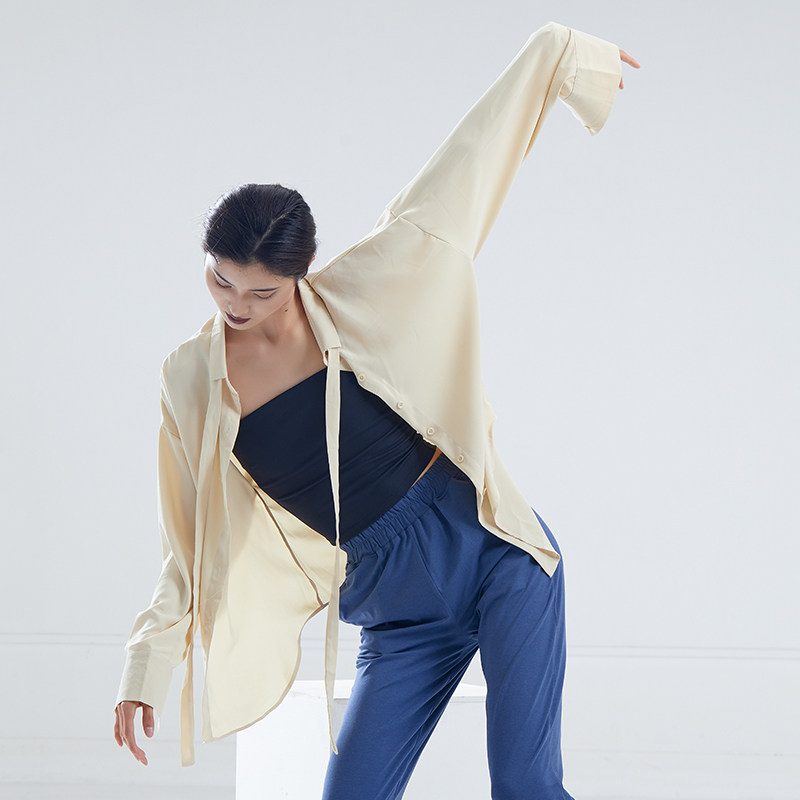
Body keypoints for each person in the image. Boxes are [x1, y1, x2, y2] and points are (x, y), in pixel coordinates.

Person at [113, 19, 639, 799]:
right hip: (396, 608)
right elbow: (184, 545)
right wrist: (146, 669)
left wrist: (558, 54)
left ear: (301, 275)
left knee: (525, 787)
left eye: (263, 291)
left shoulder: (363, 290)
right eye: (221, 282)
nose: (238, 306)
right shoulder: (189, 380)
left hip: (492, 555)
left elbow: (463, 170)